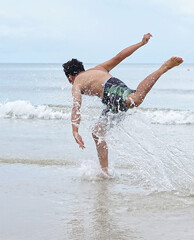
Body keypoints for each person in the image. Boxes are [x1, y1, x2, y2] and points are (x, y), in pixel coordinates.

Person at [62, 33, 183, 175]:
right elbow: (120, 56)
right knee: (97, 132)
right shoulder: (98, 68)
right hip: (110, 98)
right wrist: (140, 43)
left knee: (135, 99)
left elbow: (76, 106)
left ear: (70, 76)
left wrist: (75, 131)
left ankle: (163, 68)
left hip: (110, 89)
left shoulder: (76, 83)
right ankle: (105, 172)